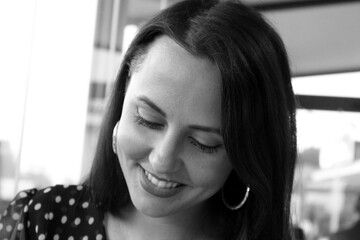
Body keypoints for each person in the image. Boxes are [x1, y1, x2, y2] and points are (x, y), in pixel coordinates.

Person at [0, 0, 298, 239]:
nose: (162, 160)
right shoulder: (38, 220)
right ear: (123, 95)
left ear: (246, 154)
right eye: (148, 120)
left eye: (204, 143)